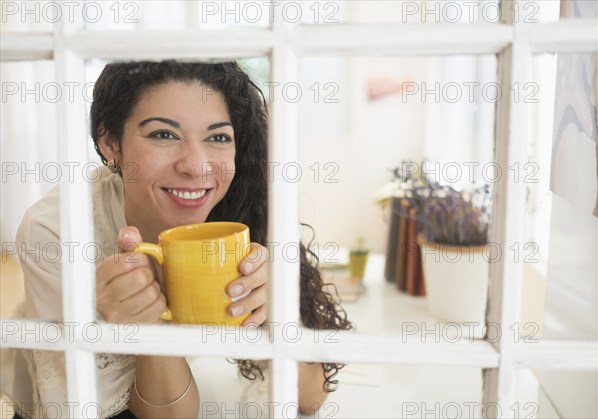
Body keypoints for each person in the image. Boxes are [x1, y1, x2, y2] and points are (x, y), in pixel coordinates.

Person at [1, 60, 352, 419]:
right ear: (110, 142)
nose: (196, 166)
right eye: (163, 134)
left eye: (218, 137)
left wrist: (281, 314)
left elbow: (309, 400)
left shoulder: (243, 212)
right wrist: (146, 333)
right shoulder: (59, 231)